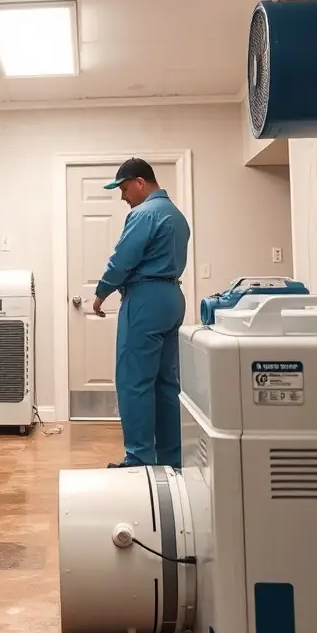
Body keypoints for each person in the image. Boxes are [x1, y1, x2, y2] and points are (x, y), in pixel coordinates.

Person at [92, 158, 191, 470]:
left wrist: (102, 291)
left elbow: (123, 259)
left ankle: (138, 459)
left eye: (124, 189)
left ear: (139, 182)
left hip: (145, 299)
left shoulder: (143, 214)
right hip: (172, 298)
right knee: (166, 383)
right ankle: (172, 460)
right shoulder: (177, 216)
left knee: (134, 381)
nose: (123, 197)